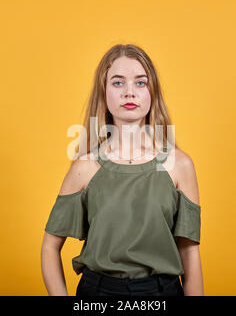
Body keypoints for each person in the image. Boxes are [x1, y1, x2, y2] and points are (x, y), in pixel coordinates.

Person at [41, 44, 203, 296]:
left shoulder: (180, 165)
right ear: (104, 93)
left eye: (140, 83)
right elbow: (50, 247)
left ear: (153, 92)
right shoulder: (85, 167)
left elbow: (189, 251)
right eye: (118, 83)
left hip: (161, 293)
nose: (130, 92)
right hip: (99, 293)